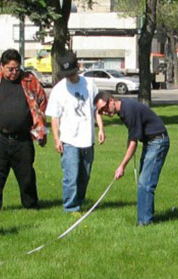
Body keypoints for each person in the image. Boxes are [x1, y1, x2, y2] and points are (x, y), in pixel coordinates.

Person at [0, 49, 48, 214]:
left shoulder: (29, 80)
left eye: (16, 69)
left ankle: (31, 206)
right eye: (10, 69)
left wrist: (40, 128)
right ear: (2, 66)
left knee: (26, 175)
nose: (14, 73)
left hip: (23, 139)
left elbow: (42, 102)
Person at [94, 92, 169, 225]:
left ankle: (145, 223)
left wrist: (122, 166)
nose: (104, 112)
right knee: (144, 181)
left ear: (111, 100)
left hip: (158, 141)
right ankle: (147, 216)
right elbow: (132, 137)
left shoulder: (128, 110)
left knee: (145, 183)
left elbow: (133, 143)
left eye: (104, 108)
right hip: (150, 141)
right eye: (101, 111)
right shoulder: (123, 110)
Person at [46, 52, 105, 213]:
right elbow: (55, 117)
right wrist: (57, 139)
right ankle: (71, 207)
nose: (70, 77)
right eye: (66, 74)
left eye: (72, 73)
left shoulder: (90, 85)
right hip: (69, 139)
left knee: (84, 176)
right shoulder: (59, 90)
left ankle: (79, 200)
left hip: (87, 138)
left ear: (78, 68)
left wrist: (100, 128)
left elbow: (96, 110)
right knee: (71, 176)